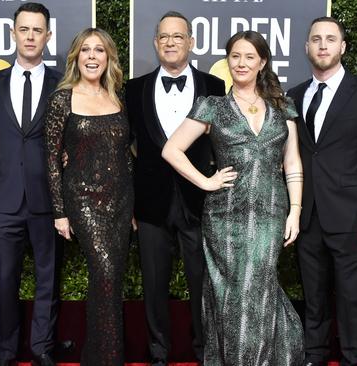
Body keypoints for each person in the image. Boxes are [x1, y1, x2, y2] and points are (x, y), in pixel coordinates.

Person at [162, 30, 304, 365]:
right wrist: (205, 181)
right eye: (235, 56)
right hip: (224, 216)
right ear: (228, 61)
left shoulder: (283, 107)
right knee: (232, 295)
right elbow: (171, 149)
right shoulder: (212, 107)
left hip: (271, 212)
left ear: (262, 63)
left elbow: (292, 160)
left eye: (249, 57)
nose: (241, 63)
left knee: (258, 285)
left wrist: (295, 210)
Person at [285, 17, 357, 366]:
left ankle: (353, 359)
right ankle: (314, 357)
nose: (322, 45)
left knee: (352, 299)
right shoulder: (293, 95)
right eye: (316, 39)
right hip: (308, 215)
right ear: (306, 47)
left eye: (330, 39)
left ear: (342, 47)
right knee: (314, 296)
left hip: (353, 216)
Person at [124, 11, 224, 365]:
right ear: (155, 42)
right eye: (164, 36)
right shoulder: (133, 90)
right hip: (150, 205)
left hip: (200, 201)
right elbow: (125, 147)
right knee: (154, 286)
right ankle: (159, 354)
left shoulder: (214, 87)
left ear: (191, 43)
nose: (170, 42)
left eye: (178, 36)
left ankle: (202, 352)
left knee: (202, 285)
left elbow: (222, 145)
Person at [0, 3, 62, 365]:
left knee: (48, 281)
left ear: (48, 36)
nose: (30, 36)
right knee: (4, 281)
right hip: (4, 197)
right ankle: (6, 352)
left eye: (37, 30)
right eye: (24, 29)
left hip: (49, 199)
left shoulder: (63, 84)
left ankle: (42, 349)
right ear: (13, 34)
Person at [44, 27, 133, 366]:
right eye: (86, 50)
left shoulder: (117, 97)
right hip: (82, 199)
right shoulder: (61, 99)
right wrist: (60, 212)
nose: (92, 56)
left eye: (99, 50)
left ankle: (96, 357)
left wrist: (133, 205)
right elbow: (51, 159)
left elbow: (125, 154)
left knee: (107, 281)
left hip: (121, 201)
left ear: (108, 58)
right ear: (76, 58)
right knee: (105, 272)